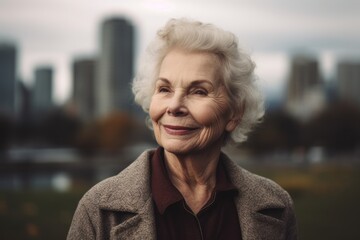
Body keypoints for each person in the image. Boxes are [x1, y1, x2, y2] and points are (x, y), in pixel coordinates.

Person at [67, 18, 298, 240]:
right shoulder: (98, 210)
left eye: (199, 91)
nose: (174, 106)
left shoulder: (276, 206)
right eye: (164, 89)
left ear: (234, 113)